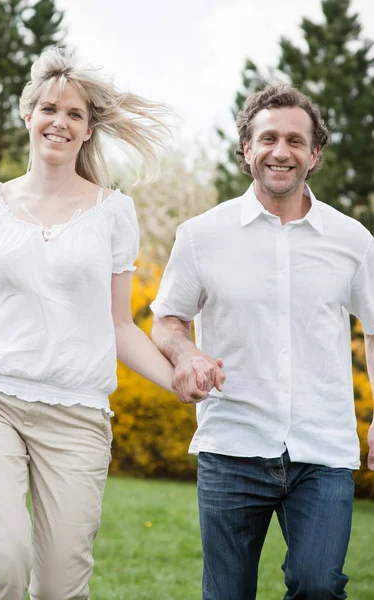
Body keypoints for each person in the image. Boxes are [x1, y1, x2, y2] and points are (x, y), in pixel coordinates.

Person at [0, 48, 207, 600]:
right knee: (1, 564)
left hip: (78, 416)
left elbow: (121, 328)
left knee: (61, 587)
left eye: (73, 115)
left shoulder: (113, 212)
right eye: (48, 109)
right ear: (28, 115)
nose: (58, 122)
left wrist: (182, 383)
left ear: (88, 131)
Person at [151, 84, 374, 600]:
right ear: (247, 149)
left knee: (318, 585)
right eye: (268, 138)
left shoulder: (352, 240)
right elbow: (166, 321)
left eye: (296, 141)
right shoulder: (201, 235)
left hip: (323, 450)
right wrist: (187, 354)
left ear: (314, 153)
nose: (281, 151)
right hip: (232, 447)